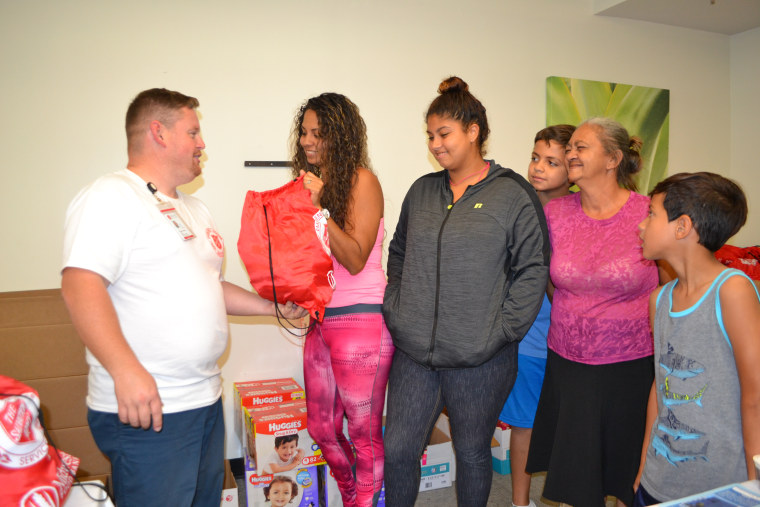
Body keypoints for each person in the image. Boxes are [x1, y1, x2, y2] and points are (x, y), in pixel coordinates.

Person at [61, 88, 305, 506]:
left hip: (203, 399)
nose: (202, 143)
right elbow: (80, 284)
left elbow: (211, 286)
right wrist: (125, 371)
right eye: (193, 132)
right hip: (151, 404)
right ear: (158, 132)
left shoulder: (195, 209)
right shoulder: (112, 197)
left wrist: (271, 308)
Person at [382, 76, 550, 507]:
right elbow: (398, 252)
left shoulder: (513, 194)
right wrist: (397, 309)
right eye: (430, 136)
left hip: (482, 359)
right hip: (415, 352)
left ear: (473, 131)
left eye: (444, 134)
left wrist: (503, 331)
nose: (436, 144)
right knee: (399, 448)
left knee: (472, 451)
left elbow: (532, 270)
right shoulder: (422, 191)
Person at [526, 117, 659, 507]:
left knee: (623, 472)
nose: (570, 154)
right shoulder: (556, 214)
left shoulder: (647, 212)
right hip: (568, 362)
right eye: (570, 148)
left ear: (613, 159)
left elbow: (668, 285)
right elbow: (551, 280)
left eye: (580, 147)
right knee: (575, 477)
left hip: (630, 365)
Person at [633, 172, 760, 505]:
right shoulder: (659, 299)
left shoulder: (732, 290)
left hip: (718, 486)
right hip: (658, 479)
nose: (641, 225)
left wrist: (753, 485)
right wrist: (645, 461)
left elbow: (755, 394)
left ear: (682, 226)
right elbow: (660, 385)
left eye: (651, 214)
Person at [292, 92, 394, 507]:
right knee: (320, 428)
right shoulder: (316, 186)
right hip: (322, 322)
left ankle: (364, 501)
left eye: (317, 133)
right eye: (304, 132)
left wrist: (317, 210)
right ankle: (355, 495)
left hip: (361, 323)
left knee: (364, 433)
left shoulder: (362, 181)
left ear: (340, 135)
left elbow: (353, 258)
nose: (306, 141)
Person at [498, 124, 575, 507]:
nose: (538, 168)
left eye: (551, 162)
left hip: (569, 341)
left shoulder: (579, 217)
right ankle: (519, 502)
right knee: (524, 425)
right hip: (528, 338)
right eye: (534, 158)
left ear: (573, 169)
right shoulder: (518, 208)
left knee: (568, 430)